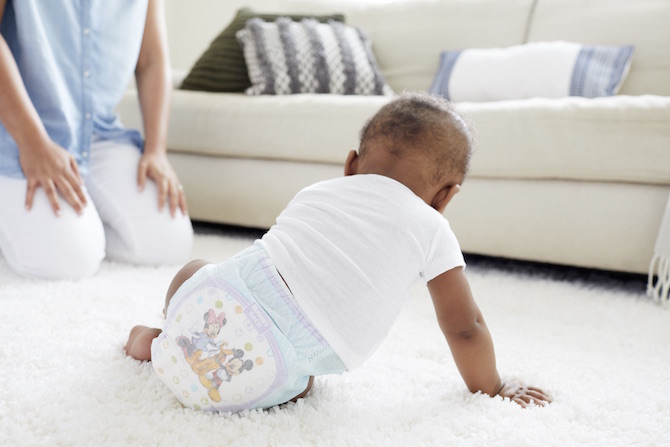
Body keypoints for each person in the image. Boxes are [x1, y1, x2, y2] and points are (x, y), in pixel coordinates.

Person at [125, 92, 551, 412]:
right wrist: (494, 387)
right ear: (445, 197)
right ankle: (272, 382)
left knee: (198, 269)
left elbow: (276, 259)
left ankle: (160, 337)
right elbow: (465, 328)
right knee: (305, 381)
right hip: (274, 367)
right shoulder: (433, 228)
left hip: (218, 300)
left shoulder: (318, 190)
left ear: (351, 165)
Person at [0, 0, 193, 279]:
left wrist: (156, 150)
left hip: (98, 133)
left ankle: (72, 225)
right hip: (20, 134)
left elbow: (152, 59)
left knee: (170, 242)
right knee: (70, 260)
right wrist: (33, 144)